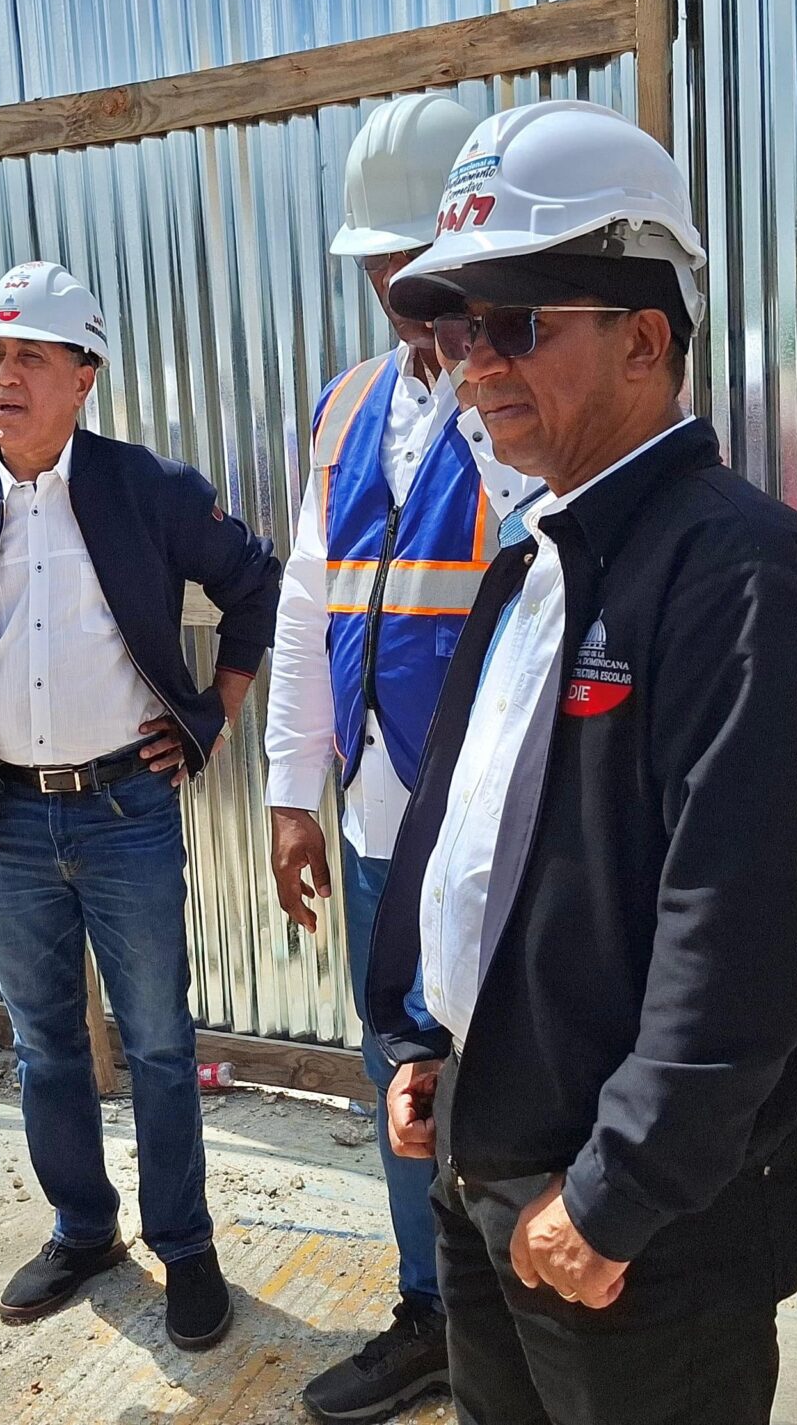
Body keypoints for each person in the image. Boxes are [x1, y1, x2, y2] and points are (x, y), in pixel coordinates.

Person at [362, 99, 797, 1425]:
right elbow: (484, 841)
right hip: (493, 1160)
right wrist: (433, 1041)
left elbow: (742, 931)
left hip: (633, 1228)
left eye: (517, 324)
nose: (475, 364)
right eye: (455, 329)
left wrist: (616, 1191)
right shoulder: (535, 559)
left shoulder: (743, 577)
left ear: (646, 338)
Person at [0, 260, 283, 1348]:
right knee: (46, 1043)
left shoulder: (147, 487)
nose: (4, 377)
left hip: (125, 814)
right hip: (5, 826)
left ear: (84, 376)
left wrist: (213, 714)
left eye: (31, 357)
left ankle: (185, 1245)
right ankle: (83, 1228)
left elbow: (255, 582)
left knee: (157, 1040)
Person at [264, 92, 536, 1422]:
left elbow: (557, 567)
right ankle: (432, 1313)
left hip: (502, 830)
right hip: (379, 822)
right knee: (400, 1080)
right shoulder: (344, 407)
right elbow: (306, 601)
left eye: (412, 261)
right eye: (377, 265)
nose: (393, 291)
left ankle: (523, 1326)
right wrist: (289, 791)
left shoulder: (529, 392)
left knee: (516, 1080)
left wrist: (477, 370)